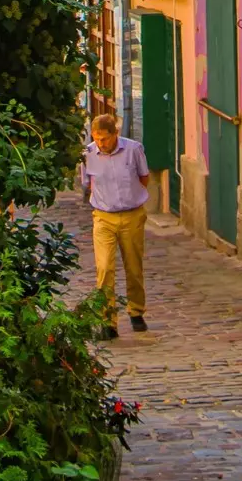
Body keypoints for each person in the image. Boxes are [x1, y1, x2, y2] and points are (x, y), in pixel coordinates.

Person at [81, 111, 151, 338]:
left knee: (133, 266)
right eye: (97, 138)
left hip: (131, 215)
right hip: (103, 217)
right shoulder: (88, 154)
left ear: (115, 134)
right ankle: (107, 320)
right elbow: (87, 183)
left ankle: (136, 311)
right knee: (104, 269)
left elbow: (144, 178)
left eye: (105, 138)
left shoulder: (133, 150)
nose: (101, 143)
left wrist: (131, 197)